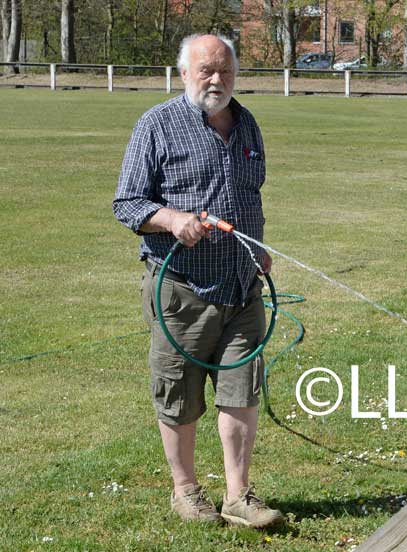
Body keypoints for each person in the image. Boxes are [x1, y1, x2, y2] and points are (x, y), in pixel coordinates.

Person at [113, 34, 282, 529]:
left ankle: (239, 495)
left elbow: (250, 197)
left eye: (226, 71)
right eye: (206, 70)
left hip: (242, 289)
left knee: (241, 391)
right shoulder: (156, 125)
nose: (217, 80)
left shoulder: (247, 122)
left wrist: (258, 247)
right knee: (178, 395)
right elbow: (127, 204)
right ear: (183, 73)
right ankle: (185, 491)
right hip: (182, 291)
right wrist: (170, 219)